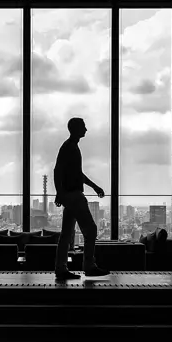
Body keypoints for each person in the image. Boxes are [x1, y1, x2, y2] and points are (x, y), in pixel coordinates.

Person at [52, 117, 109, 281]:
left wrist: (93, 186)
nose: (86, 129)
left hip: (69, 195)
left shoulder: (70, 147)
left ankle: (61, 268)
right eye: (83, 127)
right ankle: (89, 266)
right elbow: (58, 171)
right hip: (74, 196)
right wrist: (60, 192)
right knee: (90, 230)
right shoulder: (70, 147)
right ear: (76, 129)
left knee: (66, 234)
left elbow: (75, 174)